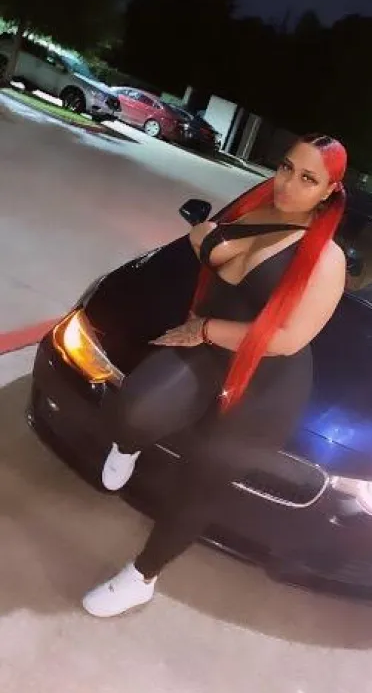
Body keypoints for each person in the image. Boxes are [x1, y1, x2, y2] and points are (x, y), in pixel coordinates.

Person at [82, 133, 348, 618]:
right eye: (286, 167)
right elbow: (208, 250)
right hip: (209, 349)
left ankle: (141, 577)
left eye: (308, 179)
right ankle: (129, 444)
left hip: (267, 378)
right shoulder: (252, 212)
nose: (288, 184)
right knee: (132, 410)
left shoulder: (327, 260)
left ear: (329, 191)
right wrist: (203, 239)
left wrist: (204, 329)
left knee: (200, 482)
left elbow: (286, 339)